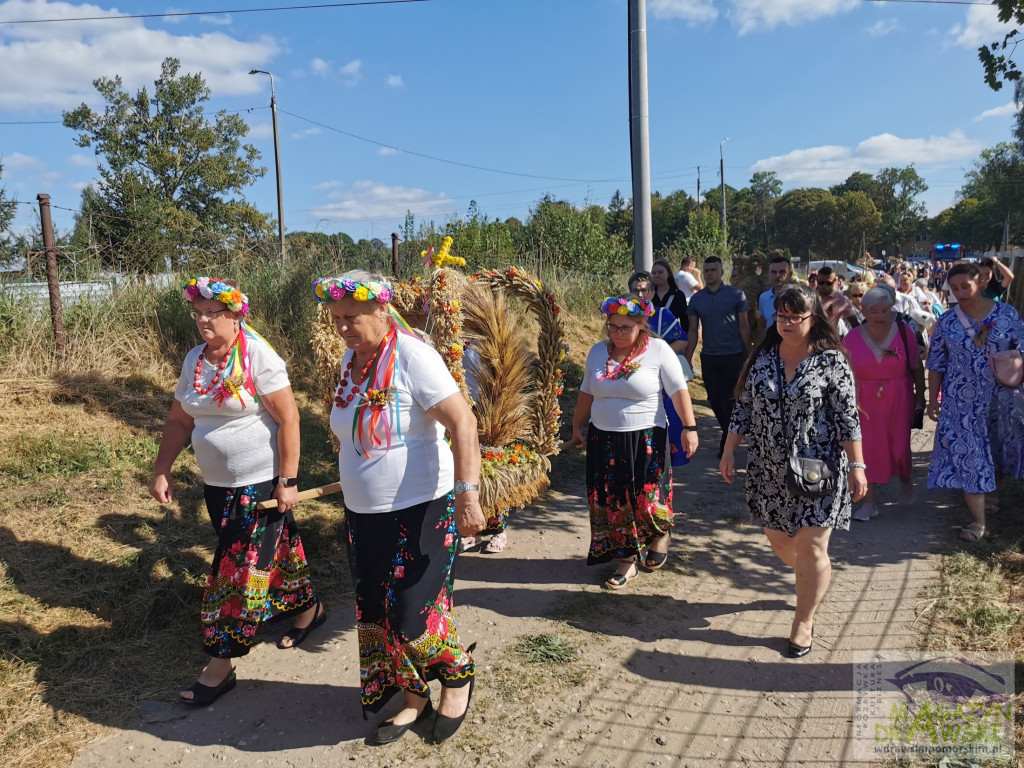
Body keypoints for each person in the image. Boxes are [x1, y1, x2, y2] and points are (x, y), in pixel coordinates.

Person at [314, 270, 484, 745]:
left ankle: (457, 674)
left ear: (381, 310)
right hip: (364, 516)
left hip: (420, 510)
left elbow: (463, 423)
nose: (342, 327)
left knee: (415, 612)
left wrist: (468, 491)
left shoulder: (413, 357)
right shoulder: (352, 360)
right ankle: (414, 699)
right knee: (380, 614)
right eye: (336, 318)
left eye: (350, 317)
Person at [150, 277, 323, 707]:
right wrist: (162, 469)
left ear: (235, 315)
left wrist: (287, 480)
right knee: (275, 551)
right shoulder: (195, 359)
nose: (204, 321)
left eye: (213, 313)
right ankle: (309, 609)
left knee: (234, 569)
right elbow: (179, 421)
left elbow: (289, 420)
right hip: (217, 487)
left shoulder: (258, 356)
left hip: (260, 485)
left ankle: (219, 664)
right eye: (199, 314)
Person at [720, 285, 866, 658]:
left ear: (811, 319)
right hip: (768, 469)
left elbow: (847, 418)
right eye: (780, 316)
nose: (785, 323)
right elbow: (744, 408)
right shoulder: (763, 357)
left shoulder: (832, 362)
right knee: (783, 543)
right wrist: (729, 450)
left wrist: (858, 465)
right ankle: (810, 578)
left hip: (819, 468)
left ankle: (804, 620)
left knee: (812, 546)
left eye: (794, 317)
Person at [571, 294, 699, 588]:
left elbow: (679, 391)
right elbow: (586, 393)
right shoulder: (597, 352)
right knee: (617, 502)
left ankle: (660, 533)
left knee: (647, 501)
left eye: (625, 327)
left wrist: (689, 427)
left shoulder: (658, 350)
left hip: (647, 439)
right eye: (612, 327)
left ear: (641, 325)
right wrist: (577, 425)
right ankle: (627, 561)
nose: (617, 334)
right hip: (604, 440)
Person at [926, 261, 1024, 542]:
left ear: (980, 282)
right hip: (960, 402)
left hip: (1002, 398)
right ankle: (979, 521)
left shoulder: (1006, 314)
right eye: (954, 288)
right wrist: (934, 400)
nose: (959, 292)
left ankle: (990, 491)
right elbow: (936, 363)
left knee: (1000, 450)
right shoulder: (946, 321)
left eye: (964, 286)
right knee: (970, 456)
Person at [844, 287, 925, 521]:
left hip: (899, 395)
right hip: (864, 398)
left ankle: (906, 479)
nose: (880, 315)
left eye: (885, 310)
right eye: (874, 310)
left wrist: (921, 396)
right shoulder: (852, 337)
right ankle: (869, 502)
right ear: (863, 310)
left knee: (899, 446)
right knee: (868, 449)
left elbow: (916, 367)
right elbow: (843, 372)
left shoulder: (904, 331)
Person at [685, 256, 751, 457]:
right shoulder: (697, 299)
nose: (710, 273)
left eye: (713, 270)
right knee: (714, 398)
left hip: (734, 354)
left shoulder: (736, 295)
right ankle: (728, 431)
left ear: (722, 272)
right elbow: (693, 330)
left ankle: (726, 441)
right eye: (706, 270)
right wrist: (687, 357)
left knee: (730, 399)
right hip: (710, 356)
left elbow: (744, 326)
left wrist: (749, 355)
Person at [815, 266, 858, 332]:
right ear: (817, 280)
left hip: (829, 339)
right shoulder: (808, 296)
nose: (824, 286)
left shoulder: (842, 300)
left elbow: (855, 325)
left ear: (835, 281)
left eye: (828, 283)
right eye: (821, 282)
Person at [757, 256, 793, 335]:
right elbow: (762, 326)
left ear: (790, 274)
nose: (777, 275)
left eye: (782, 272)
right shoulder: (764, 298)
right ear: (769, 274)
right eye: (773, 272)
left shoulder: (798, 297)